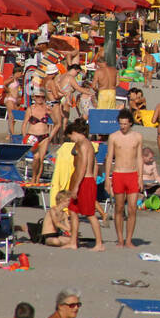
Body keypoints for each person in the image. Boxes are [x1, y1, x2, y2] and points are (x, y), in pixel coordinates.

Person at [104, 108, 143, 249]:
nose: (123, 126)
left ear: (131, 123)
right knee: (119, 208)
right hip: (119, 174)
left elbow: (139, 157)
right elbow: (109, 158)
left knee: (133, 209)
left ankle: (129, 240)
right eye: (120, 124)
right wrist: (107, 178)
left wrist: (140, 178)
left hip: (132, 174)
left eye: (125, 124)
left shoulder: (137, 137)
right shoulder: (114, 137)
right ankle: (120, 239)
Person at [61, 118, 103, 252]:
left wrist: (77, 186)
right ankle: (73, 242)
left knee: (90, 213)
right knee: (73, 211)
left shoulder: (85, 144)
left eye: (70, 137)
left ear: (74, 133)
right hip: (80, 179)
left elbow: (83, 166)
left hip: (85, 180)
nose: (71, 140)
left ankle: (99, 243)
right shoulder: (80, 143)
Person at [23, 93, 54, 184]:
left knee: (41, 159)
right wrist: (24, 137)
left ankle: (37, 179)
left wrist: (50, 114)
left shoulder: (47, 108)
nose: (40, 98)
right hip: (32, 136)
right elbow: (24, 123)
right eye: (38, 96)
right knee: (36, 157)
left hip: (44, 136)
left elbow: (56, 122)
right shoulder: (30, 109)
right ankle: (33, 177)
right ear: (34, 97)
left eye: (42, 97)